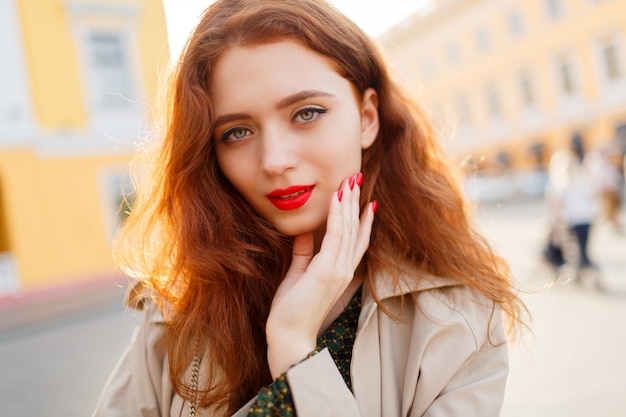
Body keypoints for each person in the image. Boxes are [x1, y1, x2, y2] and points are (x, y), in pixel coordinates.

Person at [93, 1, 527, 416]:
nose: (274, 160)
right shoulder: (177, 312)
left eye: (307, 113)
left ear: (367, 118)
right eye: (237, 132)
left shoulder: (458, 320)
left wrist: (295, 349)